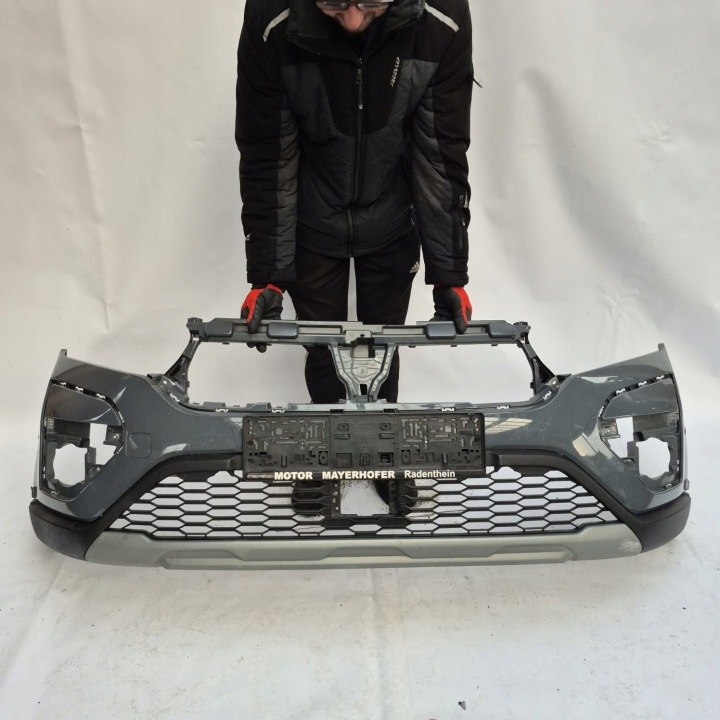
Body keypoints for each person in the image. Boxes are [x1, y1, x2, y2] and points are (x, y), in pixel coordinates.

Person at [236, 0, 475, 404]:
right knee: (324, 356)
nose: (351, 20)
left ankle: (385, 446)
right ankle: (327, 445)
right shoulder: (271, 15)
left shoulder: (441, 18)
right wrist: (268, 274)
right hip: (312, 218)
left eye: (370, 2)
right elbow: (268, 151)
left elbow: (440, 151)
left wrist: (449, 273)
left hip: (393, 216)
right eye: (333, 3)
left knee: (382, 355)